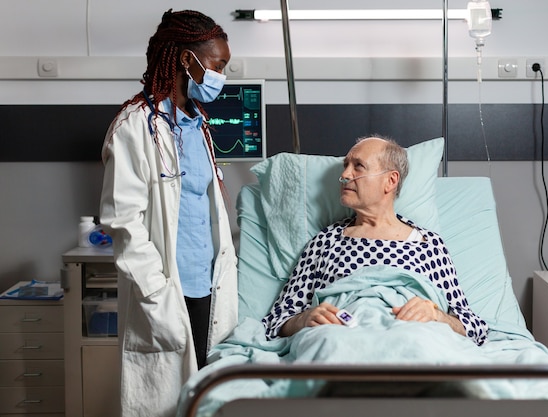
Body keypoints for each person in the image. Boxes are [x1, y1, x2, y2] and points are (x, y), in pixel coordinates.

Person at [99, 9, 238, 417]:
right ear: (186, 60)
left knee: (205, 401)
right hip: (165, 292)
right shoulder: (134, 127)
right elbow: (123, 223)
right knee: (164, 401)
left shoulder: (199, 127)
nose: (221, 76)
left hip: (208, 290)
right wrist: (156, 292)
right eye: (218, 65)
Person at [262, 136, 488, 346]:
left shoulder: (428, 245)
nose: (345, 175)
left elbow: (473, 328)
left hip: (412, 339)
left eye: (358, 166)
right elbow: (276, 321)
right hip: (340, 340)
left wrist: (437, 316)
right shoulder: (325, 242)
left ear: (390, 180)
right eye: (345, 166)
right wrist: (305, 319)